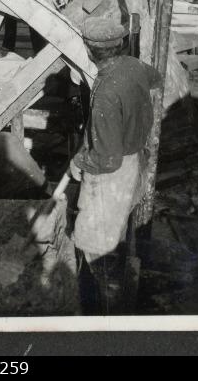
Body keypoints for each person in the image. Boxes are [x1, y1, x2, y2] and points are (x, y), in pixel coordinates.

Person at [69, 17, 161, 313]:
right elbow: (157, 79)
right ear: (119, 45)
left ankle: (106, 313)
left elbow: (107, 160)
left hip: (112, 176)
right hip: (135, 160)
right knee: (118, 233)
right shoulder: (133, 66)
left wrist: (79, 159)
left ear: (88, 49)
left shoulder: (106, 93)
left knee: (98, 249)